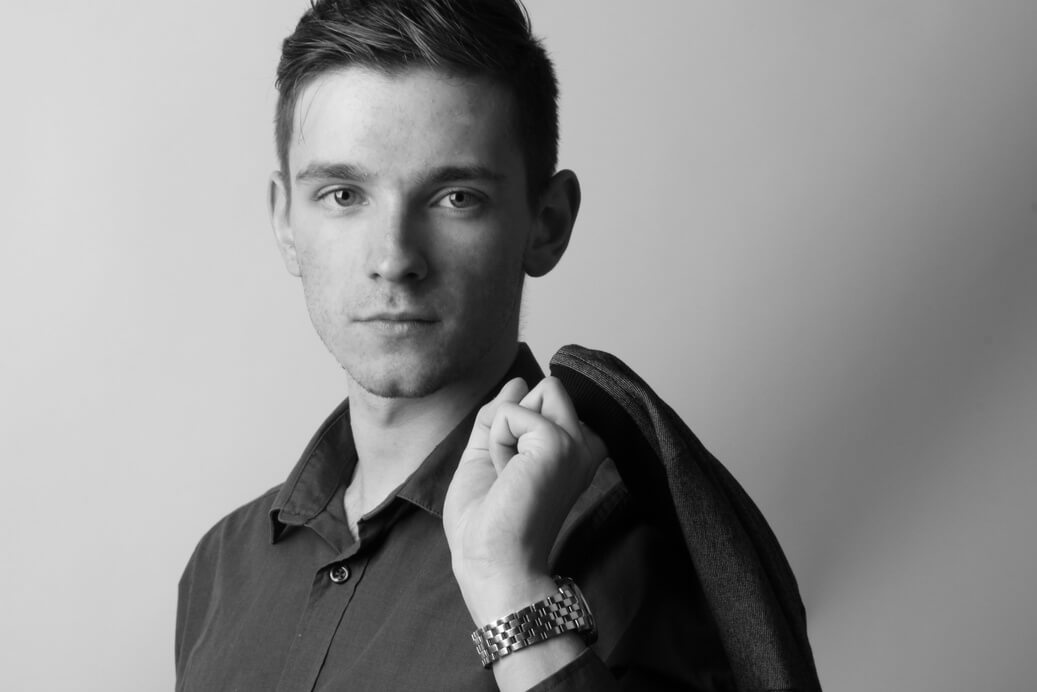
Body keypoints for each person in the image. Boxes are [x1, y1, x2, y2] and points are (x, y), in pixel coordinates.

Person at [175, 2, 796, 690]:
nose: (393, 259)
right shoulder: (220, 569)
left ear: (546, 224)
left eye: (456, 197)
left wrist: (510, 590)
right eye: (344, 194)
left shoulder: (639, 548)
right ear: (285, 220)